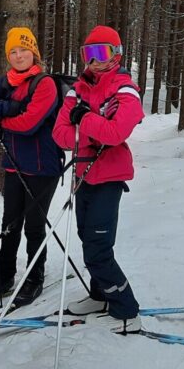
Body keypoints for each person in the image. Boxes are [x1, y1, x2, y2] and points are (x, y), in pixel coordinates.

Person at [52, 26, 145, 334]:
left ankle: (127, 308)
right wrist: (94, 133)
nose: (94, 60)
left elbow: (117, 133)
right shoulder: (77, 89)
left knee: (98, 247)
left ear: (116, 54)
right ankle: (100, 295)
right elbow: (60, 134)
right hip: (84, 174)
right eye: (88, 53)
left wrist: (84, 120)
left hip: (109, 177)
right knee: (86, 236)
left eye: (102, 52)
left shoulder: (125, 89)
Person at [0, 27, 64, 307]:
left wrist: (0, 118)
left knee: (34, 227)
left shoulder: (45, 84)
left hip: (42, 166)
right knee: (10, 225)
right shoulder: (7, 82)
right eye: (13, 51)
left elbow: (29, 124)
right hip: (14, 165)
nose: (18, 55)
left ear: (34, 52)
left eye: (24, 49)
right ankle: (5, 276)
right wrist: (9, 108)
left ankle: (35, 278)